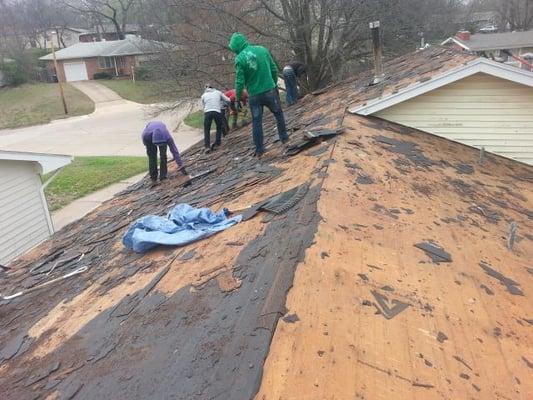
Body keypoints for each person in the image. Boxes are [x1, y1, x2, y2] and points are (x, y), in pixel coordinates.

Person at [228, 32, 289, 157]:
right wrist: (273, 83)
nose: (234, 52)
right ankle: (284, 137)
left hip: (254, 95)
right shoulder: (262, 50)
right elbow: (273, 69)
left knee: (257, 121)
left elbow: (239, 81)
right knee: (278, 113)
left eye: (234, 49)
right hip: (269, 90)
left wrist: (238, 97)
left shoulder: (239, 59)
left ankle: (260, 149)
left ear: (236, 47)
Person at [201, 84, 230, 152]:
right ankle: (217, 143)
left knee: (207, 129)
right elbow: (228, 100)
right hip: (217, 111)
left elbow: (203, 106)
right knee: (219, 127)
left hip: (207, 112)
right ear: (213, 88)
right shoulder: (218, 92)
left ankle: (207, 146)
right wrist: (227, 105)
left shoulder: (203, 95)